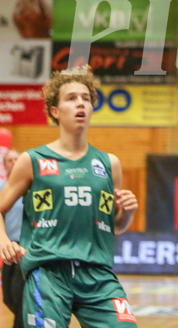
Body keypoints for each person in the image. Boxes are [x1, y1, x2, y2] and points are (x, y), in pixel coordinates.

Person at [0, 67, 139, 327]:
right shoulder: (32, 160)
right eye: (71, 98)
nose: (81, 104)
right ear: (55, 111)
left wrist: (127, 213)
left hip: (98, 275)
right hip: (48, 273)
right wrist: (3, 240)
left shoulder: (109, 164)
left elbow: (116, 226)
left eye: (86, 98)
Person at [0, 149, 24, 328]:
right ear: (5, 166)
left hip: (25, 248)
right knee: (8, 297)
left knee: (19, 293)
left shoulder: (30, 186)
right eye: (10, 160)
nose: (14, 162)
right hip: (7, 247)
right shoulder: (2, 189)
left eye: (17, 159)